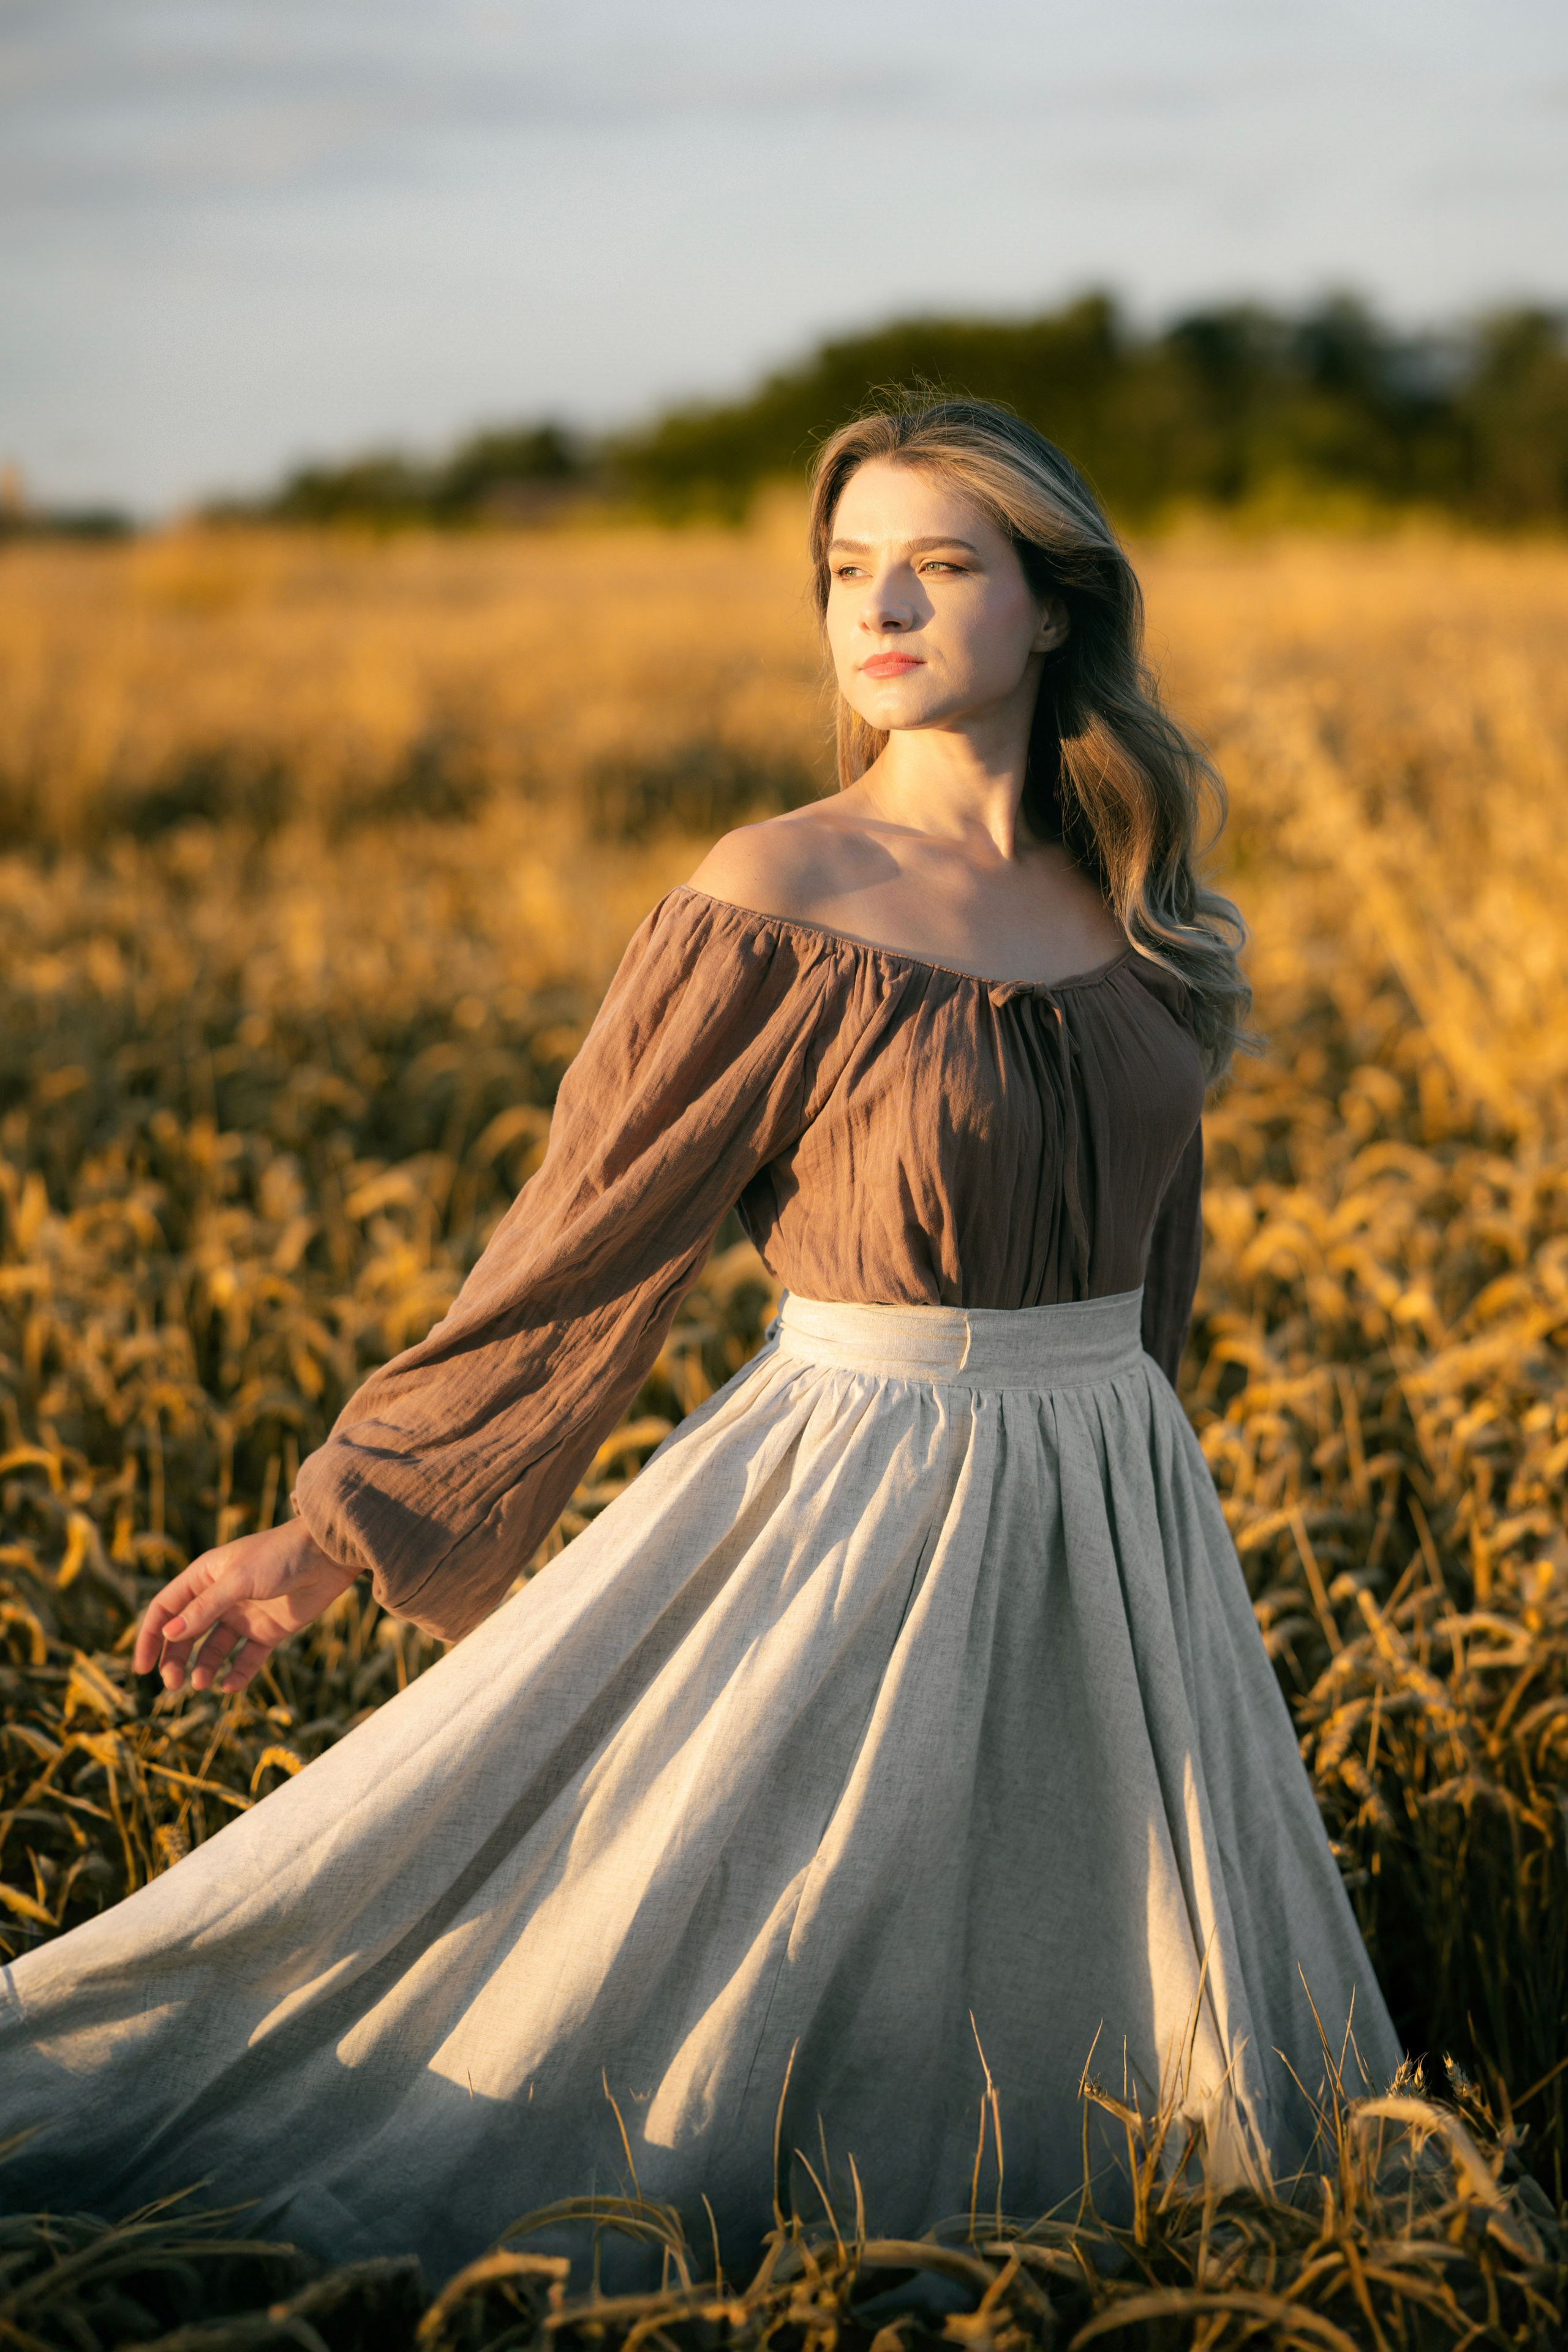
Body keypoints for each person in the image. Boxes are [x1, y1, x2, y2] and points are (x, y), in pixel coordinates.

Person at [0, 402, 1401, 2283]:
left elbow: (1161, 1263)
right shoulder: (780, 897)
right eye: (846, 572)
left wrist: (1145, 1499)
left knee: (1112, 2002)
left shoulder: (1133, 905)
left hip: (1123, 1512)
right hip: (865, 1503)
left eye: (942, 563)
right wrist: (332, 1537)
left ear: (1057, 604)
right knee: (757, 1950)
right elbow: (575, 1257)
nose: (879, 606)